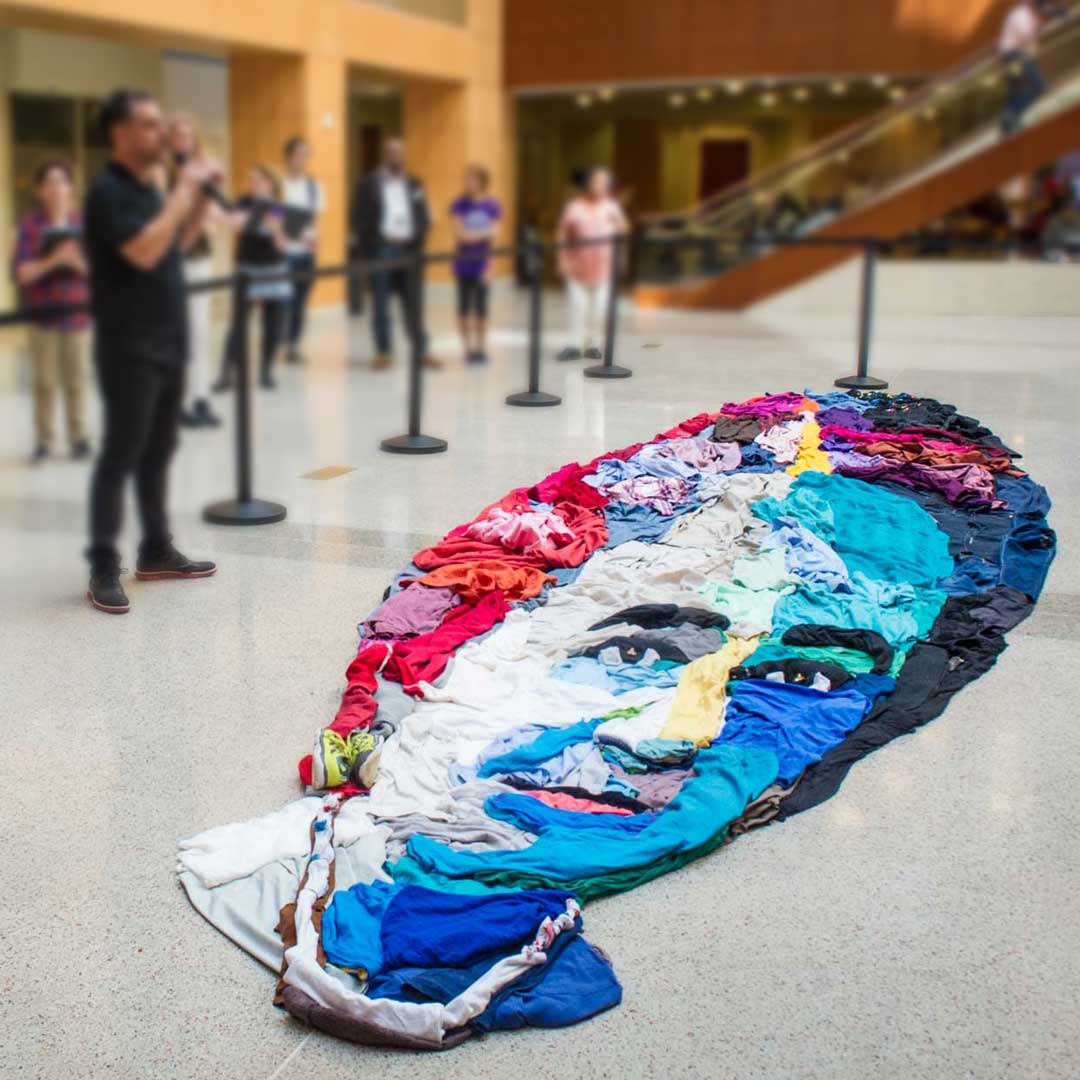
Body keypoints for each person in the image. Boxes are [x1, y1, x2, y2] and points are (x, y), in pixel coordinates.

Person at [83, 87, 220, 615]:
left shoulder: (149, 188)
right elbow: (140, 253)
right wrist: (182, 196)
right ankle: (102, 566)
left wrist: (198, 202)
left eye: (160, 124)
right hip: (128, 343)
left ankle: (156, 550)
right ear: (119, 133)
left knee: (159, 451)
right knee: (121, 453)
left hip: (167, 337)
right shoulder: (107, 192)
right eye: (147, 124)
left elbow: (171, 247)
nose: (159, 134)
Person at [11, 160, 91, 464]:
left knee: (77, 381)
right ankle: (44, 440)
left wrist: (75, 262)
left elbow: (97, 273)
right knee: (44, 382)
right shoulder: (30, 227)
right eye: (50, 182)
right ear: (41, 190)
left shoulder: (83, 226)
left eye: (62, 182)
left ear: (70, 188)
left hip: (78, 313)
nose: (57, 189)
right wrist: (56, 260)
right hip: (42, 316)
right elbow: (22, 274)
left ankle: (79, 438)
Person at [350, 137, 441, 370]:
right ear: (385, 154)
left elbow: (422, 215)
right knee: (380, 302)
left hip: (409, 251)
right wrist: (368, 247)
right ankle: (383, 352)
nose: (396, 156)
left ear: (404, 155)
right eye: (392, 152)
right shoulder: (368, 183)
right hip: (382, 249)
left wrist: (419, 240)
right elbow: (357, 217)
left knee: (413, 303)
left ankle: (421, 351)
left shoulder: (414, 183)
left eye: (400, 152)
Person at [213, 164, 293, 391]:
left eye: (258, 180)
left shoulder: (278, 207)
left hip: (274, 269)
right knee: (237, 325)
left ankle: (266, 372)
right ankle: (226, 375)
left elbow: (282, 244)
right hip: (247, 269)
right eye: (251, 180)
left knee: (272, 324)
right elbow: (235, 228)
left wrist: (275, 228)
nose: (253, 184)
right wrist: (239, 220)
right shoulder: (243, 201)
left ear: (271, 183)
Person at [167, 113, 222, 428]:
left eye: (188, 135)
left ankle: (200, 397)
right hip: (173, 260)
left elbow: (210, 215)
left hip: (200, 258)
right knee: (180, 334)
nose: (182, 141)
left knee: (201, 331)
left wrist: (209, 211)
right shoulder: (163, 174)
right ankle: (178, 401)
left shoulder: (200, 171)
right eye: (177, 135)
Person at [555, 166, 628, 361]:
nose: (601, 186)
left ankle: (594, 344)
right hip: (578, 266)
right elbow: (563, 233)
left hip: (604, 268)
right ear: (589, 184)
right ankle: (574, 344)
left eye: (605, 183)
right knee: (577, 306)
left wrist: (619, 227)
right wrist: (562, 259)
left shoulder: (611, 207)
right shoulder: (575, 207)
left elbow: (623, 231)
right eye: (597, 182)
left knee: (600, 309)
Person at [449, 164, 501, 363]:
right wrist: (482, 233)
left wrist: (490, 265)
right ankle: (467, 348)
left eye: (472, 179)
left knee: (481, 308)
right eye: (466, 179)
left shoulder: (492, 205)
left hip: (483, 263)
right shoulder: (459, 205)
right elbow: (460, 235)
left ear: (481, 181)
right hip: (464, 263)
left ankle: (481, 347)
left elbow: (495, 234)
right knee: (463, 307)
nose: (468, 183)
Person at [281, 135, 324, 364]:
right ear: (288, 157)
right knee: (285, 300)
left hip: (305, 252)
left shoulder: (313, 186)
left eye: (306, 154)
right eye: (298, 154)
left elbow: (316, 221)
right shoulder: (280, 184)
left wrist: (317, 247)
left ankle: (293, 345)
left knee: (300, 301)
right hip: (284, 251)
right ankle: (279, 339)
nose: (302, 159)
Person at [999, 0, 1046, 135]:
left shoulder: (1024, 14)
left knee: (1019, 91)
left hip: (1013, 56)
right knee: (1039, 86)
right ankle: (1009, 116)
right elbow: (1027, 36)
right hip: (1015, 56)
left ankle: (1010, 120)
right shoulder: (1020, 14)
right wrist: (1036, 29)